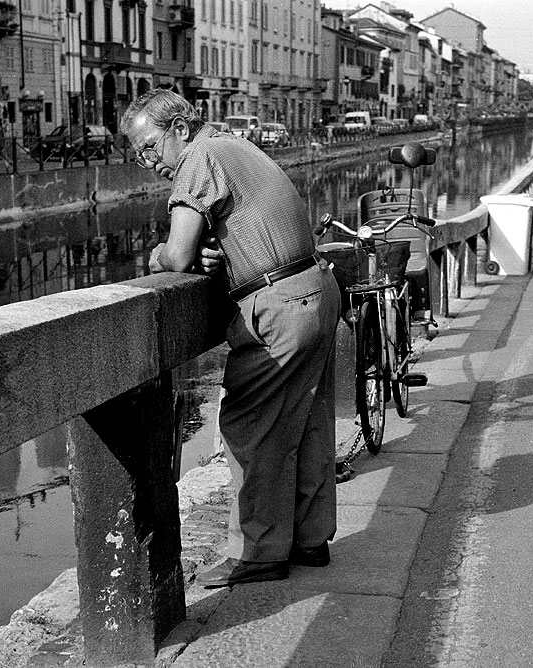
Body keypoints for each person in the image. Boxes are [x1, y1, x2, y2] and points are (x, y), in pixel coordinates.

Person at [120, 89, 340, 587]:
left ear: (180, 129)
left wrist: (158, 256)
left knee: (248, 425)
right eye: (139, 156)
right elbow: (238, 229)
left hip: (281, 306)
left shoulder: (198, 157)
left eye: (150, 148)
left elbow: (176, 257)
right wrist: (213, 252)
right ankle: (310, 540)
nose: (149, 163)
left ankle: (259, 554)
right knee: (306, 420)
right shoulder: (231, 145)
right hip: (316, 288)